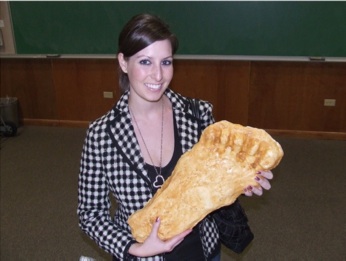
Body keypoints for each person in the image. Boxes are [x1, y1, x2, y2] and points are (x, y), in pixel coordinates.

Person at [77, 13, 273, 261]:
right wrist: (132, 247)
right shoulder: (101, 135)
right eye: (145, 62)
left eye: (166, 62)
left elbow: (214, 183)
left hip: (203, 251)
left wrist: (240, 182)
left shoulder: (198, 115)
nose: (158, 76)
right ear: (124, 63)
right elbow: (90, 214)